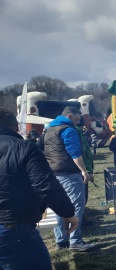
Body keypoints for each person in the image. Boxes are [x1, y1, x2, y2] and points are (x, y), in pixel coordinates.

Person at [0, 107, 78, 269]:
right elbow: (45, 185)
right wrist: (68, 213)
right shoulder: (24, 148)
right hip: (14, 230)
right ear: (15, 127)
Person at [43, 106, 95, 252]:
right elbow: (74, 152)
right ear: (71, 116)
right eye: (78, 117)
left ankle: (61, 240)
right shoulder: (68, 129)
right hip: (69, 174)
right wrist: (84, 171)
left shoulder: (49, 129)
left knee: (59, 206)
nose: (79, 120)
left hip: (54, 173)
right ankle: (75, 241)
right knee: (76, 206)